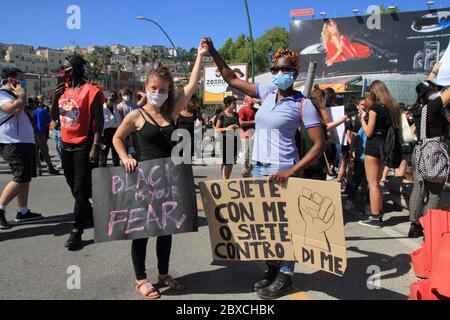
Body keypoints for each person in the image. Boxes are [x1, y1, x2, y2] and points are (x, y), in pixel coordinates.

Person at [204, 39, 325, 300]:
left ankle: (286, 277)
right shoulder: (267, 92)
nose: (279, 75)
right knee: (265, 226)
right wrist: (213, 51)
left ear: (295, 73)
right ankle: (272, 271)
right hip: (259, 168)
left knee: (283, 227)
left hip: (282, 171)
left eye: (285, 70)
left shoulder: (303, 105)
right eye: (275, 70)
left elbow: (318, 145)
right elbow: (230, 78)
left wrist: (292, 170)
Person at [112, 40, 207, 299]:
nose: (158, 91)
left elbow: (192, 85)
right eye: (154, 88)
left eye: (163, 89)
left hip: (168, 180)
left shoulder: (172, 111)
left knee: (166, 230)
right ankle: (141, 278)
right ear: (146, 88)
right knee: (141, 232)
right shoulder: (135, 115)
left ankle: (163, 274)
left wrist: (199, 56)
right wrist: (124, 158)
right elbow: (117, 139)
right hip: (143, 180)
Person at [51, 55, 105, 250]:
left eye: (64, 68)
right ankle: (90, 213)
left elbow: (99, 121)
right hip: (65, 145)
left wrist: (96, 146)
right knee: (73, 185)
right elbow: (55, 118)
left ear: (73, 70)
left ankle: (76, 230)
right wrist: (55, 98)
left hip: (84, 145)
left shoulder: (91, 91)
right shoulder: (63, 91)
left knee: (80, 187)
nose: (62, 72)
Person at [0, 68, 42, 230]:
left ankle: (22, 211)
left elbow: (20, 113)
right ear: (11, 80)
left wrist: (27, 107)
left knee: (26, 177)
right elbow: (11, 109)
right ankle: (1, 208)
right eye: (21, 79)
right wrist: (22, 96)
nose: (22, 82)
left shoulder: (14, 96)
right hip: (12, 142)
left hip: (24, 141)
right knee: (20, 175)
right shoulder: (2, 94)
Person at [408, 80, 450, 238]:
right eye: (434, 90)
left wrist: (436, 70)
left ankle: (414, 225)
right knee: (434, 193)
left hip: (419, 152)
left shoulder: (419, 109)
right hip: (433, 154)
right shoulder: (432, 107)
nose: (438, 91)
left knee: (418, 188)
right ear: (427, 94)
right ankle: (428, 228)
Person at [359, 81, 401, 229]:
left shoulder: (375, 107)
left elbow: (369, 132)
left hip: (373, 146)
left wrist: (362, 120)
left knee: (373, 184)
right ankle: (378, 212)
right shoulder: (393, 107)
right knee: (377, 183)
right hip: (386, 146)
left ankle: (375, 217)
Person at [215, 96, 240, 179]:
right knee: (226, 161)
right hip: (225, 140)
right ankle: (224, 180)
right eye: (234, 103)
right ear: (228, 104)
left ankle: (227, 179)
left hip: (234, 140)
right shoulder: (222, 115)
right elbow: (217, 129)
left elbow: (238, 126)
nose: (235, 104)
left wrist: (236, 127)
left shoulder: (236, 115)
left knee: (231, 161)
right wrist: (228, 128)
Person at [34, 96, 59, 175]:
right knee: (45, 152)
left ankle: (39, 169)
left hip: (32, 133)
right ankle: (50, 168)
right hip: (41, 133)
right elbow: (48, 122)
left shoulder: (29, 111)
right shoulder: (43, 111)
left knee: (35, 153)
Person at [177, 94, 206, 161]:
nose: (194, 104)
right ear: (187, 101)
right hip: (178, 139)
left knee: (188, 160)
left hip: (190, 139)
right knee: (177, 159)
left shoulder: (195, 113)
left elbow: (203, 122)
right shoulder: (178, 111)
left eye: (195, 102)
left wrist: (195, 126)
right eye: (193, 102)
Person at [99, 91, 122, 167]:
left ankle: (116, 168)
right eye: (111, 96)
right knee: (104, 153)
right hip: (105, 133)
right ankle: (103, 170)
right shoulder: (102, 108)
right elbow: (101, 123)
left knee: (116, 152)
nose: (112, 98)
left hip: (115, 132)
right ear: (107, 97)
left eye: (114, 97)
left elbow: (118, 122)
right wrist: (101, 136)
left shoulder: (116, 108)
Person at [238, 96, 258, 178]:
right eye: (251, 98)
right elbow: (241, 123)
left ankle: (248, 174)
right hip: (246, 135)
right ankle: (245, 174)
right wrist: (253, 122)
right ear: (246, 100)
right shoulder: (243, 110)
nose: (253, 99)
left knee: (253, 157)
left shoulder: (256, 110)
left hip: (255, 135)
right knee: (246, 156)